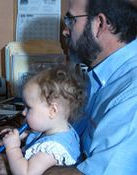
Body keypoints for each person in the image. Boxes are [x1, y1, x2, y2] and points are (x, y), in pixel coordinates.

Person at [44, 0, 137, 174]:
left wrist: (19, 165)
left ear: (100, 24)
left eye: (71, 20)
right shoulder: (99, 74)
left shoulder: (131, 94)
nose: (65, 30)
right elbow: (72, 135)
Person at [0, 64, 87, 175]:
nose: (23, 112)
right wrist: (23, 136)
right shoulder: (60, 130)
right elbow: (40, 138)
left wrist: (13, 148)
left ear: (52, 111)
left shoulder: (53, 149)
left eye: (29, 108)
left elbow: (25, 173)